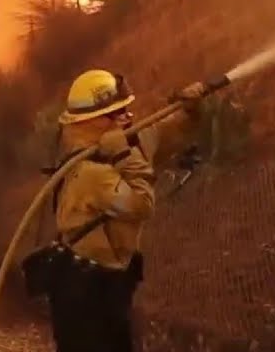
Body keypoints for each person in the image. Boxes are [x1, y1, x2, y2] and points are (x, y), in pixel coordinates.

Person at [44, 69, 206, 352]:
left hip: (112, 285)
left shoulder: (123, 144)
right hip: (83, 295)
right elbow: (142, 203)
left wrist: (189, 111)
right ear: (93, 122)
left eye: (125, 109)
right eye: (116, 113)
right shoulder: (89, 172)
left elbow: (163, 133)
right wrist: (123, 154)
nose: (127, 117)